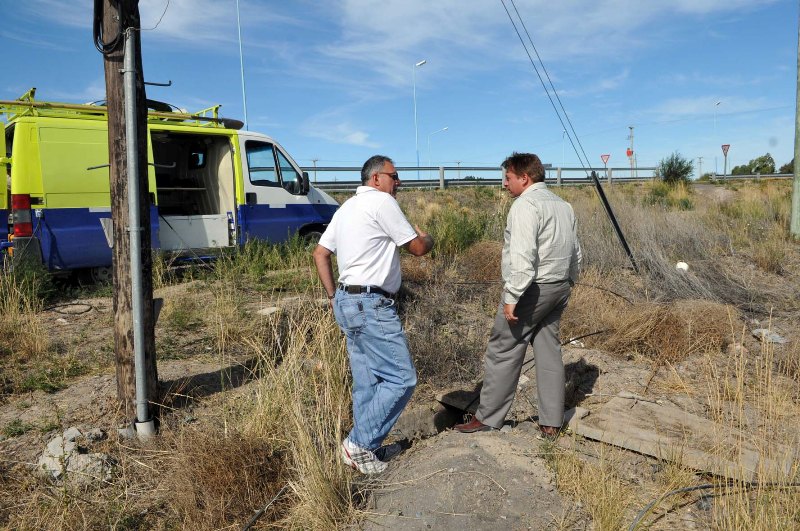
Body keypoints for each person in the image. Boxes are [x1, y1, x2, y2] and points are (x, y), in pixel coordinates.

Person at [313, 155, 434, 474]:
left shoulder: (346, 207)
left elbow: (320, 254)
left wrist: (331, 296)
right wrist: (428, 239)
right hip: (371, 305)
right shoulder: (382, 203)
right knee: (402, 378)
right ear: (376, 178)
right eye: (395, 176)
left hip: (346, 301)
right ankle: (359, 445)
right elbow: (418, 249)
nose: (399, 183)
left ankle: (365, 450)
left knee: (367, 381)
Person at [454, 152, 581, 438]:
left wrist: (512, 296)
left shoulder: (525, 205)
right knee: (548, 351)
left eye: (508, 178)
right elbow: (576, 251)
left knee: (503, 349)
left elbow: (524, 256)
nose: (504, 184)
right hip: (559, 286)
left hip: (532, 289)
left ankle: (487, 417)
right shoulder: (564, 206)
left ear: (525, 178)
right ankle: (551, 421)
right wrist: (570, 280)